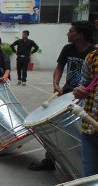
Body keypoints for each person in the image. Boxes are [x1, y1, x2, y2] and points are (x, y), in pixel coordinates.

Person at [30, 21, 94, 171]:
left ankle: (79, 166)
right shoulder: (68, 49)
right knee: (56, 128)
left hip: (85, 98)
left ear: (80, 34)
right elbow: (59, 67)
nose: (68, 33)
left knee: (79, 132)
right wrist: (56, 83)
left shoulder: (93, 53)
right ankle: (50, 160)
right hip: (67, 94)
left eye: (71, 31)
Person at [73, 49, 98, 176]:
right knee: (90, 180)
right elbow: (85, 84)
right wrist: (80, 91)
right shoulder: (92, 57)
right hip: (90, 128)